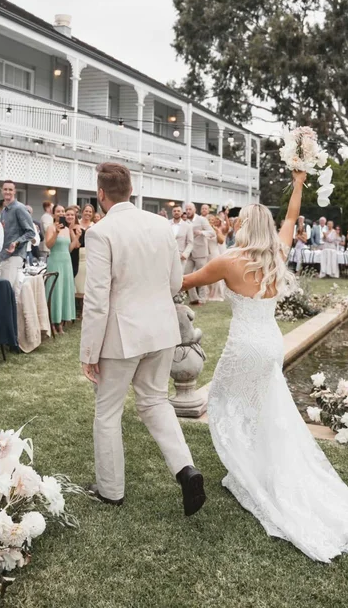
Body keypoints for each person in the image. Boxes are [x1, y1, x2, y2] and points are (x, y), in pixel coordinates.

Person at [183, 172, 348, 561]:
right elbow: (291, 217)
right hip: (271, 345)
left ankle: (249, 470)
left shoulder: (228, 261)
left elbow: (184, 282)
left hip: (244, 346)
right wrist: (298, 182)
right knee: (264, 408)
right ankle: (258, 465)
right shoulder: (277, 254)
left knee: (222, 400)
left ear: (243, 227)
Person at [80, 162, 205, 515]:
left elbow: (97, 299)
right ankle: (186, 469)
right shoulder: (161, 225)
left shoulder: (100, 232)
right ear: (130, 190)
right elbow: (175, 283)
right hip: (161, 331)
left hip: (121, 335)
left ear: (101, 194)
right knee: (155, 402)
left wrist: (89, 351)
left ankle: (110, 490)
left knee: (108, 412)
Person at [45, 204, 77, 334]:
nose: (61, 213)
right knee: (55, 290)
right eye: (58, 211)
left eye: (63, 211)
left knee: (64, 290)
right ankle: (52, 322)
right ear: (53, 214)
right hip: (55, 261)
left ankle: (61, 321)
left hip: (66, 262)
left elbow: (70, 248)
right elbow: (48, 245)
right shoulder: (51, 227)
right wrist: (56, 232)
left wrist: (76, 237)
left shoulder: (67, 229)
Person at [0, 180, 36, 288]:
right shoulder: (4, 211)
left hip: (14, 256)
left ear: (14, 191)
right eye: (5, 189)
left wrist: (16, 242)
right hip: (5, 255)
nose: (7, 192)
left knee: (4, 290)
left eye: (10, 189)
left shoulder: (19, 208)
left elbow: (31, 232)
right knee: (14, 292)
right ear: (2, 191)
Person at [183, 202, 216, 305]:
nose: (188, 211)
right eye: (186, 209)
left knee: (202, 275)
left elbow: (212, 233)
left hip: (201, 252)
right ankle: (194, 298)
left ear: (194, 210)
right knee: (187, 274)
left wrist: (201, 232)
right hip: (188, 252)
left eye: (190, 209)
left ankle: (202, 298)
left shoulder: (201, 220)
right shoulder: (184, 221)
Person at [74, 204, 95, 299]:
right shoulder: (76, 224)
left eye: (90, 212)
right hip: (77, 253)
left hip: (89, 254)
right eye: (86, 211)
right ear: (82, 212)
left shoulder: (95, 226)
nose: (88, 213)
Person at [205, 215, 225, 301]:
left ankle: (217, 294)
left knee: (215, 273)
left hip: (214, 254)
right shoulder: (204, 230)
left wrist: (217, 232)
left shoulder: (216, 230)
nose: (211, 221)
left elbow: (221, 241)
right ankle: (207, 294)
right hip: (205, 254)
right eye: (209, 220)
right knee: (206, 274)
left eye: (212, 220)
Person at [169, 205, 193, 271]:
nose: (176, 212)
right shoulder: (167, 223)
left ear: (181, 212)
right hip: (168, 255)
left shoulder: (188, 226)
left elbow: (190, 243)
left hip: (180, 257)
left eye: (178, 211)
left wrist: (185, 254)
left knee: (178, 275)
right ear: (172, 212)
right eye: (174, 211)